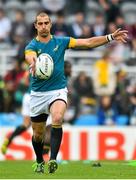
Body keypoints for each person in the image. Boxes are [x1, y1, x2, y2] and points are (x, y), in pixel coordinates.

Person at [25, 11, 128, 174]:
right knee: (38, 134)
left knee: (57, 117)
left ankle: (52, 160)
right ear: (35, 26)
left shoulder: (61, 41)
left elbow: (87, 43)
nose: (43, 26)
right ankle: (39, 160)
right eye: (40, 23)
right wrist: (33, 63)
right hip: (38, 94)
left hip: (57, 90)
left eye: (46, 23)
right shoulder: (31, 46)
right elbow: (29, 56)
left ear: (50, 24)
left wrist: (110, 37)